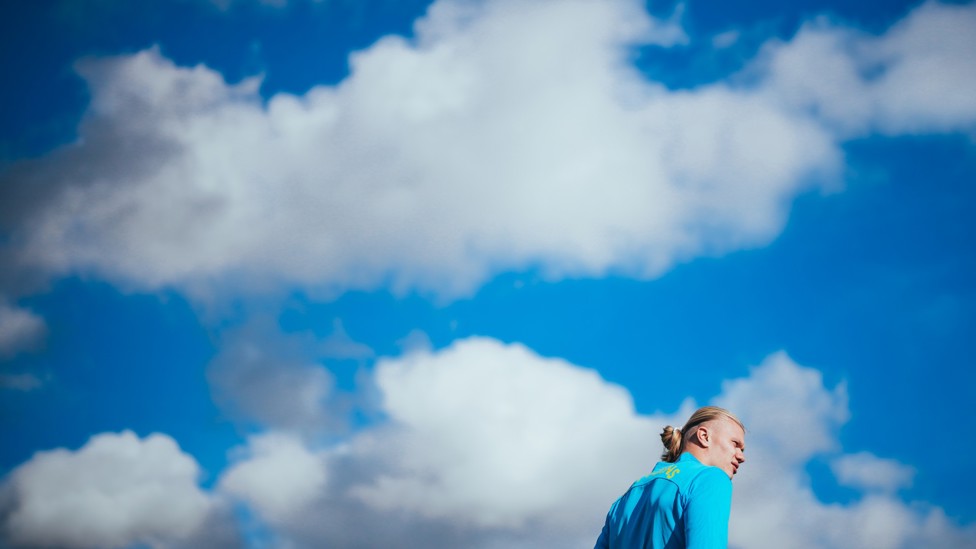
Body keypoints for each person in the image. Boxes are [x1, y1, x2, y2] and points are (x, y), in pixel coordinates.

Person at [594, 406, 746, 549]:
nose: (741, 457)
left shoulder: (622, 502)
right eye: (735, 444)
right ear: (704, 436)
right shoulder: (709, 479)